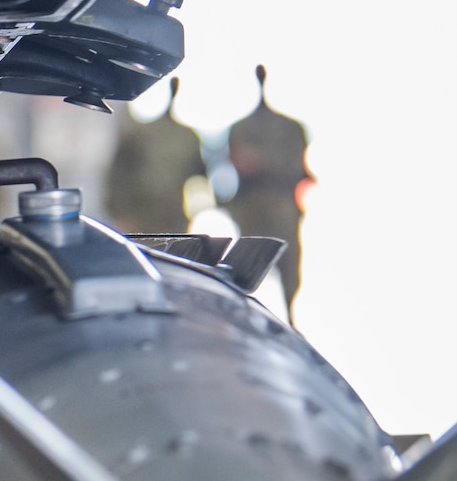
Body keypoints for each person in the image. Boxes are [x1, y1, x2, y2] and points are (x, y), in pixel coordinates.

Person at [222, 65, 315, 307]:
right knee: (245, 270)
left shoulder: (291, 129)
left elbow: (297, 168)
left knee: (289, 269)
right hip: (251, 208)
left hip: (281, 207)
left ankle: (290, 315)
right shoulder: (240, 129)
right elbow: (232, 166)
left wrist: (260, 162)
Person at [103, 77, 207, 235]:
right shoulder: (137, 136)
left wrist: (197, 212)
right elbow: (118, 176)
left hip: (172, 218)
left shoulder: (188, 137)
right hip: (139, 216)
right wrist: (121, 214)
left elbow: (199, 178)